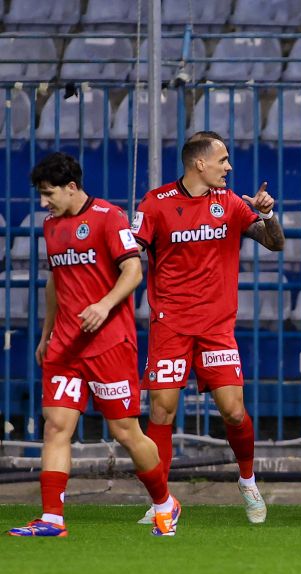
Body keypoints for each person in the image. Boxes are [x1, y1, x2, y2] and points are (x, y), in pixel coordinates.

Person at [7, 153, 178, 537]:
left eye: (48, 194)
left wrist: (104, 304)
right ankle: (52, 519)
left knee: (125, 432)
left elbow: (133, 270)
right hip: (66, 347)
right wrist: (47, 333)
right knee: (56, 426)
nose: (43, 203)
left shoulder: (109, 217)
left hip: (110, 344)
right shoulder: (51, 226)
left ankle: (165, 502)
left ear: (71, 187)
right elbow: (56, 281)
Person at [132, 131, 284, 525]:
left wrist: (267, 215)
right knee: (162, 411)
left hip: (216, 327)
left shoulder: (229, 202)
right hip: (171, 325)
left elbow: (275, 244)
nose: (229, 167)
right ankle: (161, 502)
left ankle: (247, 481)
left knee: (233, 412)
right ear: (200, 163)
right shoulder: (155, 204)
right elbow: (131, 254)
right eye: (223, 159)